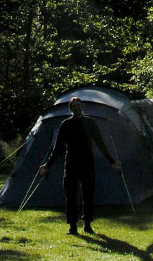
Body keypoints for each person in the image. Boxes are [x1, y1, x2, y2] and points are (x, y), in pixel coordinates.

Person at [39, 96, 121, 235]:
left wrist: (112, 161)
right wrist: (48, 165)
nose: (76, 108)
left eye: (78, 105)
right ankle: (72, 226)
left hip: (87, 163)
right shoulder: (66, 124)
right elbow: (57, 147)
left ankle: (87, 224)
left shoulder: (90, 122)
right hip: (71, 163)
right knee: (70, 195)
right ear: (70, 109)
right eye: (74, 106)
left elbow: (101, 144)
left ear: (82, 106)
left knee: (88, 195)